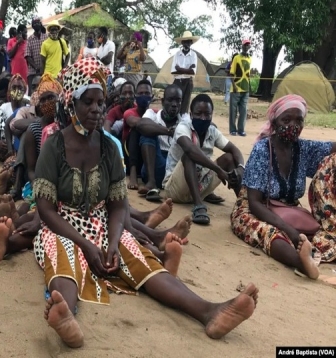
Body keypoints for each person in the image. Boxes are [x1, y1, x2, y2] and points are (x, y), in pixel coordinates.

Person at [30, 57, 257, 348]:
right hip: (61, 225)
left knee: (140, 258)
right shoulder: (54, 146)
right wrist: (86, 244)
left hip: (101, 222)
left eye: (101, 102)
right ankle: (67, 314)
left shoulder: (109, 147)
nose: (97, 109)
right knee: (62, 254)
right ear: (71, 102)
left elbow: (116, 205)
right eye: (89, 101)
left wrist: (112, 242)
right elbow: (46, 210)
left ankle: (209, 311)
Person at [231, 95, 336, 279]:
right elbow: (254, 203)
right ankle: (301, 262)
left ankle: (308, 250)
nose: (292, 126)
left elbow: (332, 150)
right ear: (274, 121)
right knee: (268, 233)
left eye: (298, 120)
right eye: (286, 120)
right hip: (254, 209)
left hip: (290, 211)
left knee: (325, 238)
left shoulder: (303, 148)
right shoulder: (262, 149)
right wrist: (290, 231)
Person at [163, 94, 245, 225]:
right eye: (198, 114)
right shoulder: (183, 128)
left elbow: (234, 150)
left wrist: (241, 168)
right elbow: (190, 150)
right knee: (189, 155)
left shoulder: (212, 131)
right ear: (191, 115)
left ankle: (243, 205)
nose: (203, 118)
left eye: (207, 114)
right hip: (175, 190)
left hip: (199, 186)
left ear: (212, 115)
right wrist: (218, 170)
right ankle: (198, 206)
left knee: (229, 158)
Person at [136, 84, 183, 200]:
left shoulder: (185, 121)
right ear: (163, 101)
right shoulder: (152, 114)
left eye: (178, 101)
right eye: (170, 100)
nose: (174, 104)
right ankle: (151, 182)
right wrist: (168, 131)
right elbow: (141, 125)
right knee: (147, 134)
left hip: (174, 170)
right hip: (155, 163)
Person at [124, 80, 154, 190]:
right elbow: (137, 123)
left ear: (152, 96)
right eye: (140, 93)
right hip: (130, 155)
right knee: (137, 130)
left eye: (147, 93)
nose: (144, 96)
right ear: (135, 96)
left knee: (150, 132)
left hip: (147, 155)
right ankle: (133, 174)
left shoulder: (155, 113)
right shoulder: (129, 112)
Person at [171, 31, 199, 114]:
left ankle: (182, 122)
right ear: (182, 42)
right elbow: (173, 71)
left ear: (191, 43)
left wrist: (179, 69)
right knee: (175, 102)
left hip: (188, 81)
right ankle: (175, 120)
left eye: (188, 41)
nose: (187, 43)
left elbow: (192, 72)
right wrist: (188, 69)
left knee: (185, 103)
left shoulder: (193, 55)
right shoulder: (177, 54)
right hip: (177, 81)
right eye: (185, 41)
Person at [229, 40, 252, 136]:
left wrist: (249, 86)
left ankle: (241, 130)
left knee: (243, 110)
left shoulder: (250, 59)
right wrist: (234, 85)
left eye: (248, 45)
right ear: (242, 46)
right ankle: (233, 130)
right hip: (236, 88)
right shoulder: (237, 58)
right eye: (245, 45)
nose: (246, 46)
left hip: (245, 88)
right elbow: (231, 73)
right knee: (233, 111)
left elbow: (248, 75)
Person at [25, 16, 47, 90]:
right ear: (32, 25)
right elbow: (27, 56)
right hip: (32, 72)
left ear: (40, 24)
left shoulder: (46, 37)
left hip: (45, 71)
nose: (36, 25)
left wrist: (42, 67)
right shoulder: (29, 39)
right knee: (33, 93)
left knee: (44, 91)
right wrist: (36, 67)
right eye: (34, 23)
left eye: (38, 23)